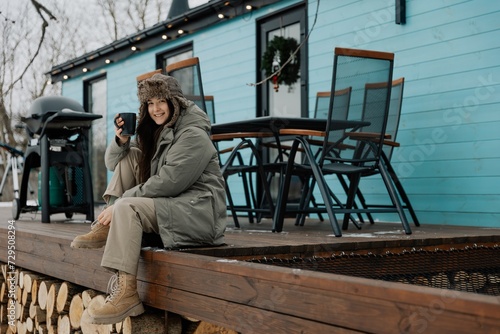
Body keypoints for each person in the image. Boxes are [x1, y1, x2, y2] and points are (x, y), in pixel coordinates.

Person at [70, 73, 227, 325]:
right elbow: (113, 163)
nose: (155, 109)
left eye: (161, 101)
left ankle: (126, 294)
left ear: (174, 102)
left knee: (128, 207)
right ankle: (108, 226)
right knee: (129, 156)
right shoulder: (160, 130)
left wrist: (121, 204)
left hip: (198, 213)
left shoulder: (193, 134)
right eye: (149, 103)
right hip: (174, 206)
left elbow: (170, 181)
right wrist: (121, 140)